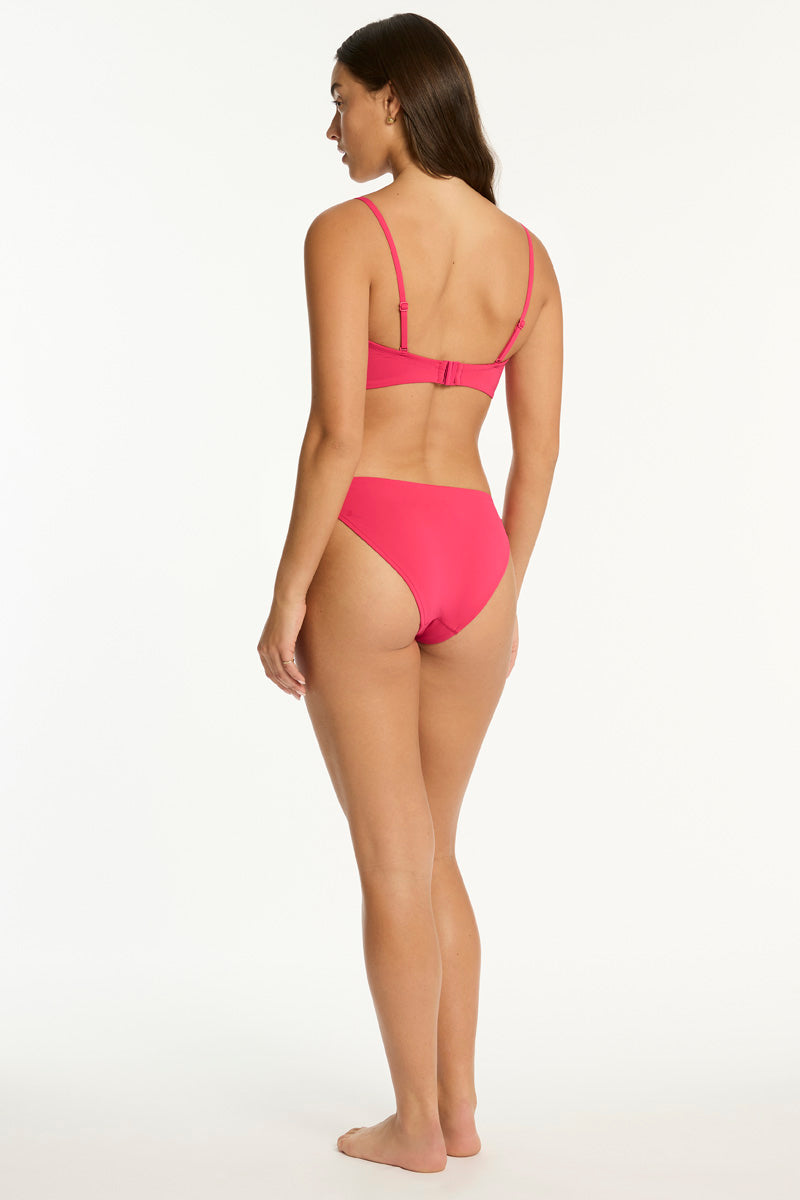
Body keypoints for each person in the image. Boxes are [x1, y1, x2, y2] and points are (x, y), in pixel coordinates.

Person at [257, 13, 562, 1175]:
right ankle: (460, 1112)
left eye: (341, 98)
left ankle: (414, 1128)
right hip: (473, 555)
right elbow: (536, 455)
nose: (331, 125)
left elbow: (337, 434)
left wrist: (287, 594)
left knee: (392, 858)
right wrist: (504, 591)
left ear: (393, 98)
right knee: (433, 851)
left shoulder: (346, 234)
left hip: (373, 547)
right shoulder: (526, 258)